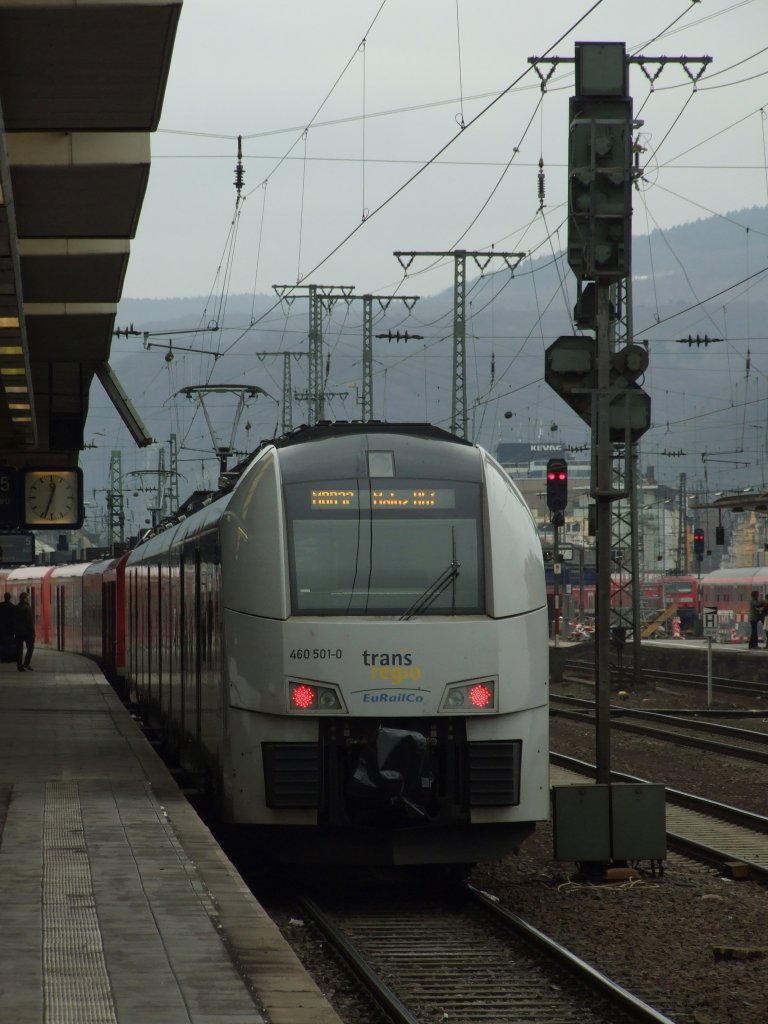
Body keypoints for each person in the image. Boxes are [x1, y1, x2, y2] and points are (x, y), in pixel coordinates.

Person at [14, 591, 34, 671]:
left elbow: (13, 620)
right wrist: (32, 632)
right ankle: (26, 663)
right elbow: (29, 621)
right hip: (26, 632)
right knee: (31, 647)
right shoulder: (27, 608)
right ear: (25, 599)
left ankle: (19, 666)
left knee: (19, 649)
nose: (28, 599)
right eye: (28, 597)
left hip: (18, 632)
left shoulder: (16, 607)